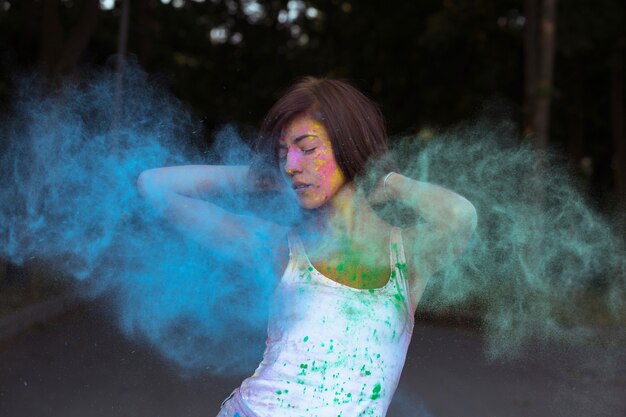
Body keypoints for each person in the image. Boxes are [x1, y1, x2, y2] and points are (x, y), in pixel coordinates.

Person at [137, 77, 477, 417]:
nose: (291, 165)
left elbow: (461, 216)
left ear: (349, 144)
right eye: (284, 154)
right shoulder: (281, 249)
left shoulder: (406, 256)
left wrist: (390, 182)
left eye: (308, 148)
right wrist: (259, 176)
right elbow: (155, 187)